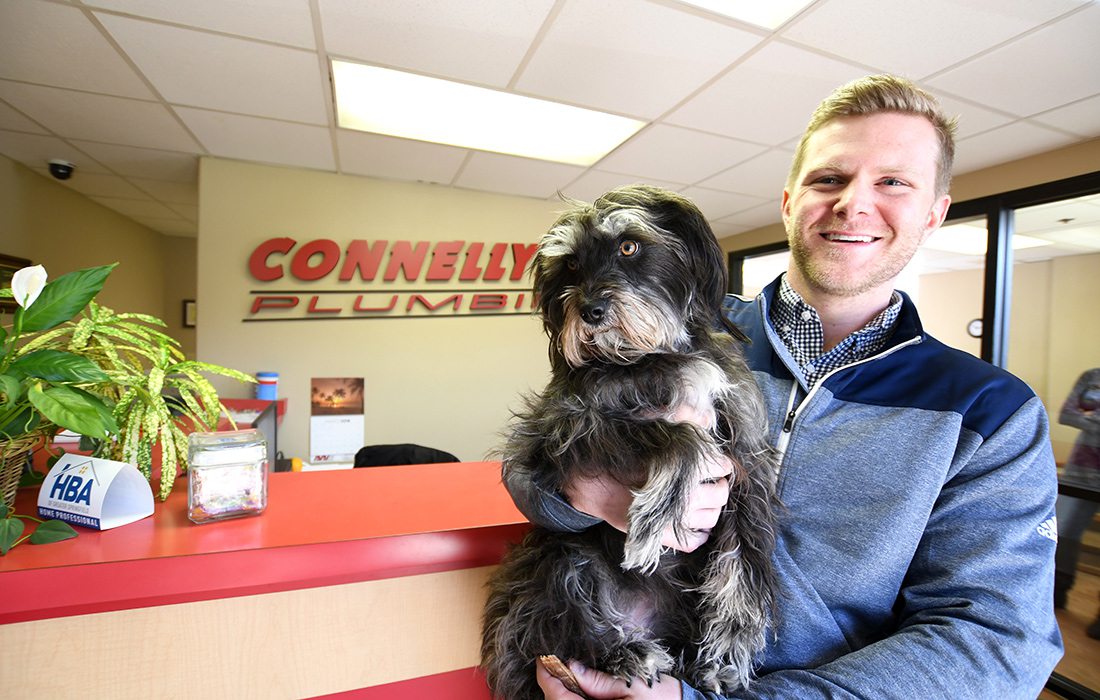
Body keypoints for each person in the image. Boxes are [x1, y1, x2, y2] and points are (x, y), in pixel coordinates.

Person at [505, 74, 1063, 699]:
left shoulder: (991, 413)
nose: (854, 204)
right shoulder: (659, 335)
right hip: (613, 669)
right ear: (789, 200)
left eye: (894, 182)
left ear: (934, 214)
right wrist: (586, 491)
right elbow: (527, 470)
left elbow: (995, 641)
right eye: (830, 179)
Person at [1053, 367, 1100, 639]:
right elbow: (1066, 414)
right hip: (1080, 471)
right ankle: (1058, 592)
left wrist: (1091, 418)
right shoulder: (1091, 376)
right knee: (1064, 533)